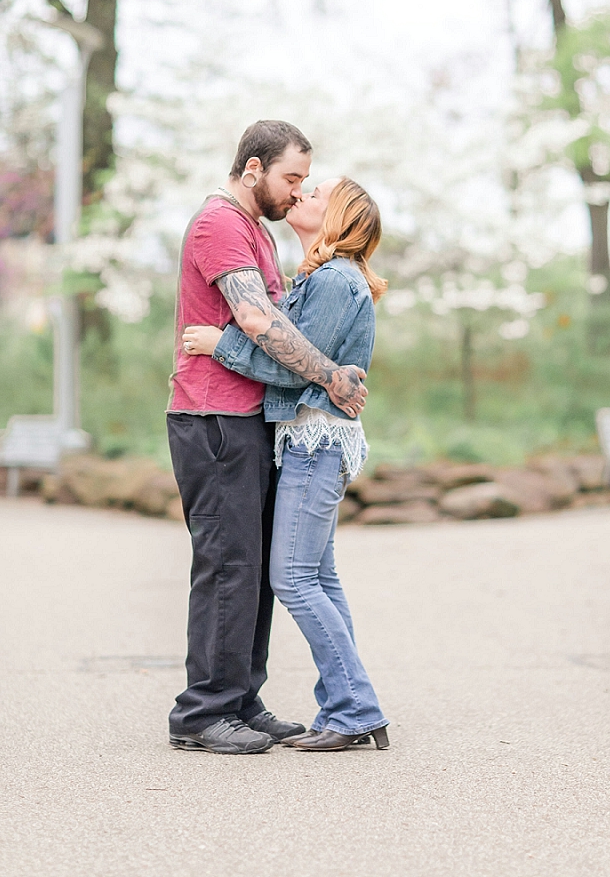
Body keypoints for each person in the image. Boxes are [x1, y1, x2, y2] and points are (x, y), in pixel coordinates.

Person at [167, 122, 368, 756]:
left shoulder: (256, 229)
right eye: (290, 179)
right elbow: (256, 319)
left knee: (252, 571)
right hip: (212, 416)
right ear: (253, 169)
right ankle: (202, 712)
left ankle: (241, 700)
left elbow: (277, 320)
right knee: (228, 567)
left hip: (249, 416)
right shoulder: (220, 223)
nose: (296, 191)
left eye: (305, 183)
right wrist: (331, 375)